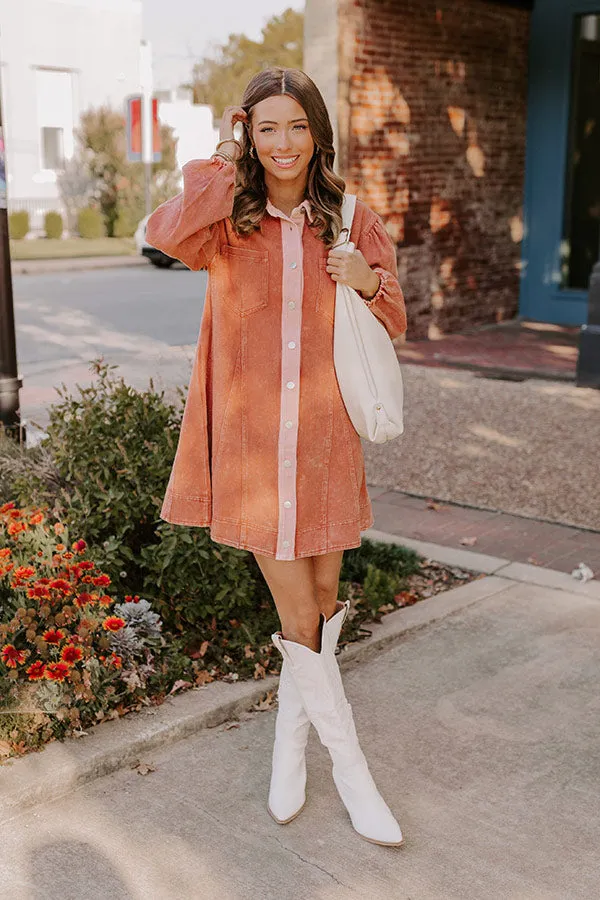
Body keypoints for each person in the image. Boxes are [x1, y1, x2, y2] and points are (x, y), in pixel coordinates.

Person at [145, 67, 407, 847]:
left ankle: (288, 748)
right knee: (300, 611)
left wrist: (366, 279)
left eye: (297, 126)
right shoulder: (229, 217)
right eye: (267, 129)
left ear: (318, 133)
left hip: (326, 443)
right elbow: (165, 232)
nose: (284, 143)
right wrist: (227, 159)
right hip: (257, 453)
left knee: (321, 609)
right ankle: (354, 775)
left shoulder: (351, 218)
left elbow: (397, 318)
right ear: (248, 134)